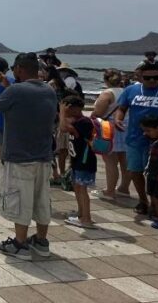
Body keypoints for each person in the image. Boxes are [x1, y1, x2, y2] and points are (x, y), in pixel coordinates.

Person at [0, 52, 58, 260]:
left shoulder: (16, 90)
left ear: (19, 69)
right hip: (43, 156)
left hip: (19, 156)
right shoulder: (48, 90)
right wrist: (9, 86)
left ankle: (20, 244)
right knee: (42, 199)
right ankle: (42, 241)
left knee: (20, 200)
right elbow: (24, 102)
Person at [114, 61, 158, 216]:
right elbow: (122, 108)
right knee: (135, 172)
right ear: (140, 77)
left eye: (156, 78)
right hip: (134, 140)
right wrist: (118, 119)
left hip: (157, 144)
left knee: (154, 175)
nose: (151, 81)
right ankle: (143, 201)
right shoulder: (131, 90)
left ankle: (156, 205)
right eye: (147, 78)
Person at [91, 69, 129, 200]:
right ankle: (124, 188)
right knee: (125, 160)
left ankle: (110, 191)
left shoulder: (107, 94)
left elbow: (98, 113)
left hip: (110, 128)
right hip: (125, 126)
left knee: (110, 161)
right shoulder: (126, 92)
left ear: (106, 80)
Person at [63, 96, 96, 229]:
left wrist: (62, 111)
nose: (67, 111)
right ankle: (81, 214)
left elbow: (64, 128)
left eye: (68, 108)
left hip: (85, 161)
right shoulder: (77, 121)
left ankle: (86, 219)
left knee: (82, 190)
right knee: (77, 187)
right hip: (77, 161)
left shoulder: (84, 122)